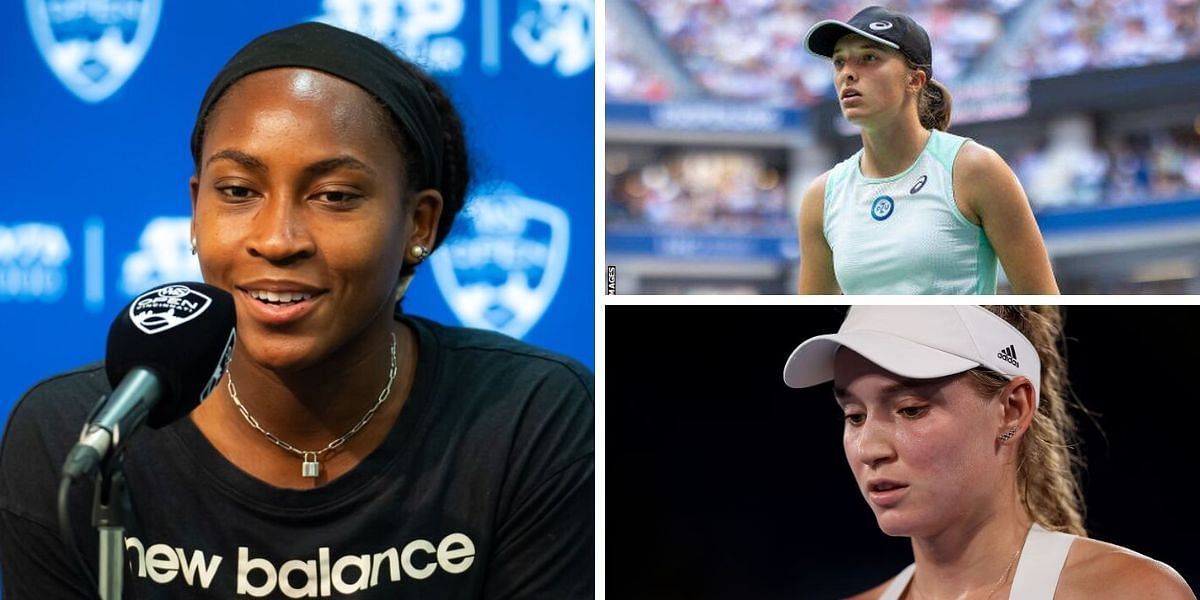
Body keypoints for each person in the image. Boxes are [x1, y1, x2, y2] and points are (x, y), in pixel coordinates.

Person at [0, 23, 594, 599]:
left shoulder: (531, 420)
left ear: (420, 224)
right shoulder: (75, 438)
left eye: (334, 196)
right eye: (237, 191)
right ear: (195, 207)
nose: (278, 239)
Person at [781, 305, 1194, 599]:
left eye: (910, 409)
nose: (869, 448)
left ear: (1012, 409)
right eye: (854, 415)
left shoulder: (1133, 593)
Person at [797, 6, 1060, 294]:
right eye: (839, 62)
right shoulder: (821, 197)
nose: (847, 73)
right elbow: (816, 319)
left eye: (869, 58)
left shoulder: (975, 169)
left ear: (915, 80)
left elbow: (1043, 306)